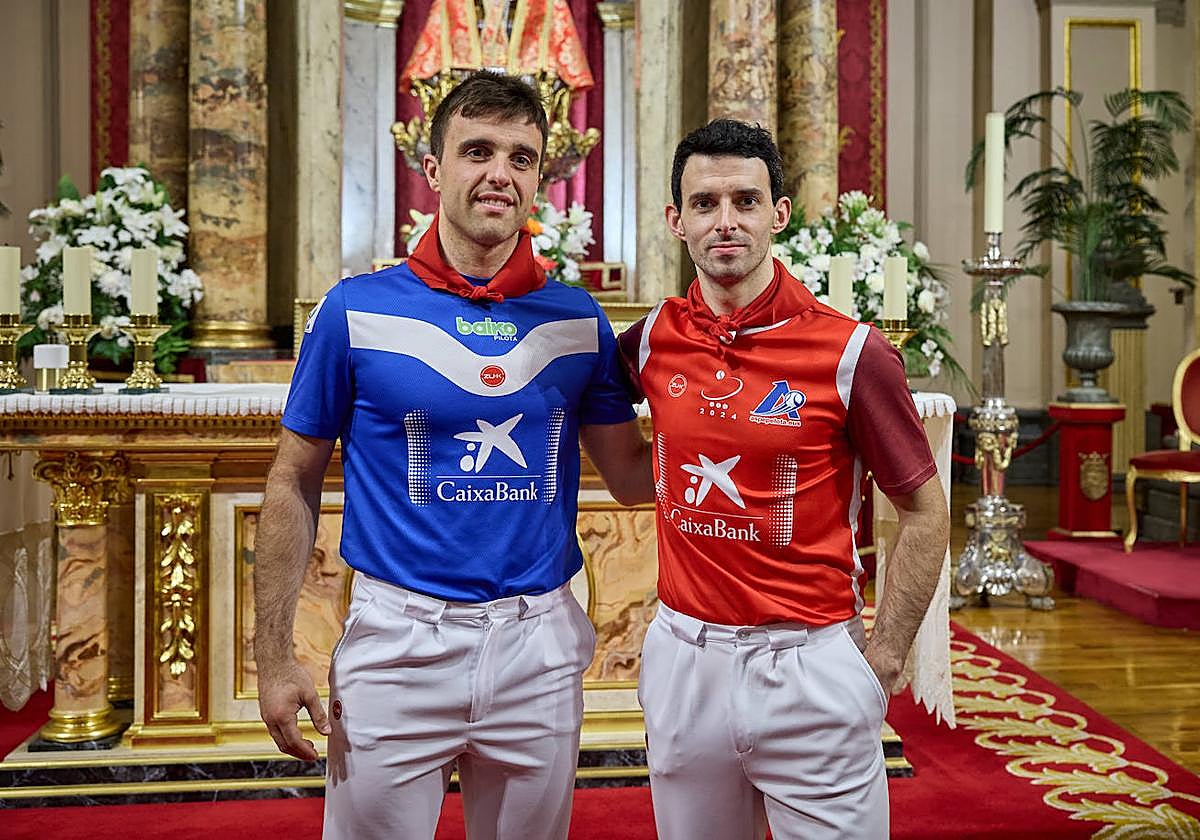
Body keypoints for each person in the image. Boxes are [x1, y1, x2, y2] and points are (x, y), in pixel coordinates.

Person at [254, 71, 653, 840]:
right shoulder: (355, 311)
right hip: (399, 643)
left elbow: (633, 479)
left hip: (538, 646)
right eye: (477, 150)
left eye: (522, 157)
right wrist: (274, 659)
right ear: (432, 169)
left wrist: (741, 415)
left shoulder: (577, 321)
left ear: (541, 176)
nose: (500, 173)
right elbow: (291, 482)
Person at [617, 119, 950, 840]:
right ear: (676, 221)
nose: (725, 221)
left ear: (780, 214)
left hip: (809, 664)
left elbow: (925, 511)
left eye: (745, 200)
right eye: (704, 203)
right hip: (686, 661)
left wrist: (886, 650)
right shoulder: (648, 339)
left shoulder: (853, 352)